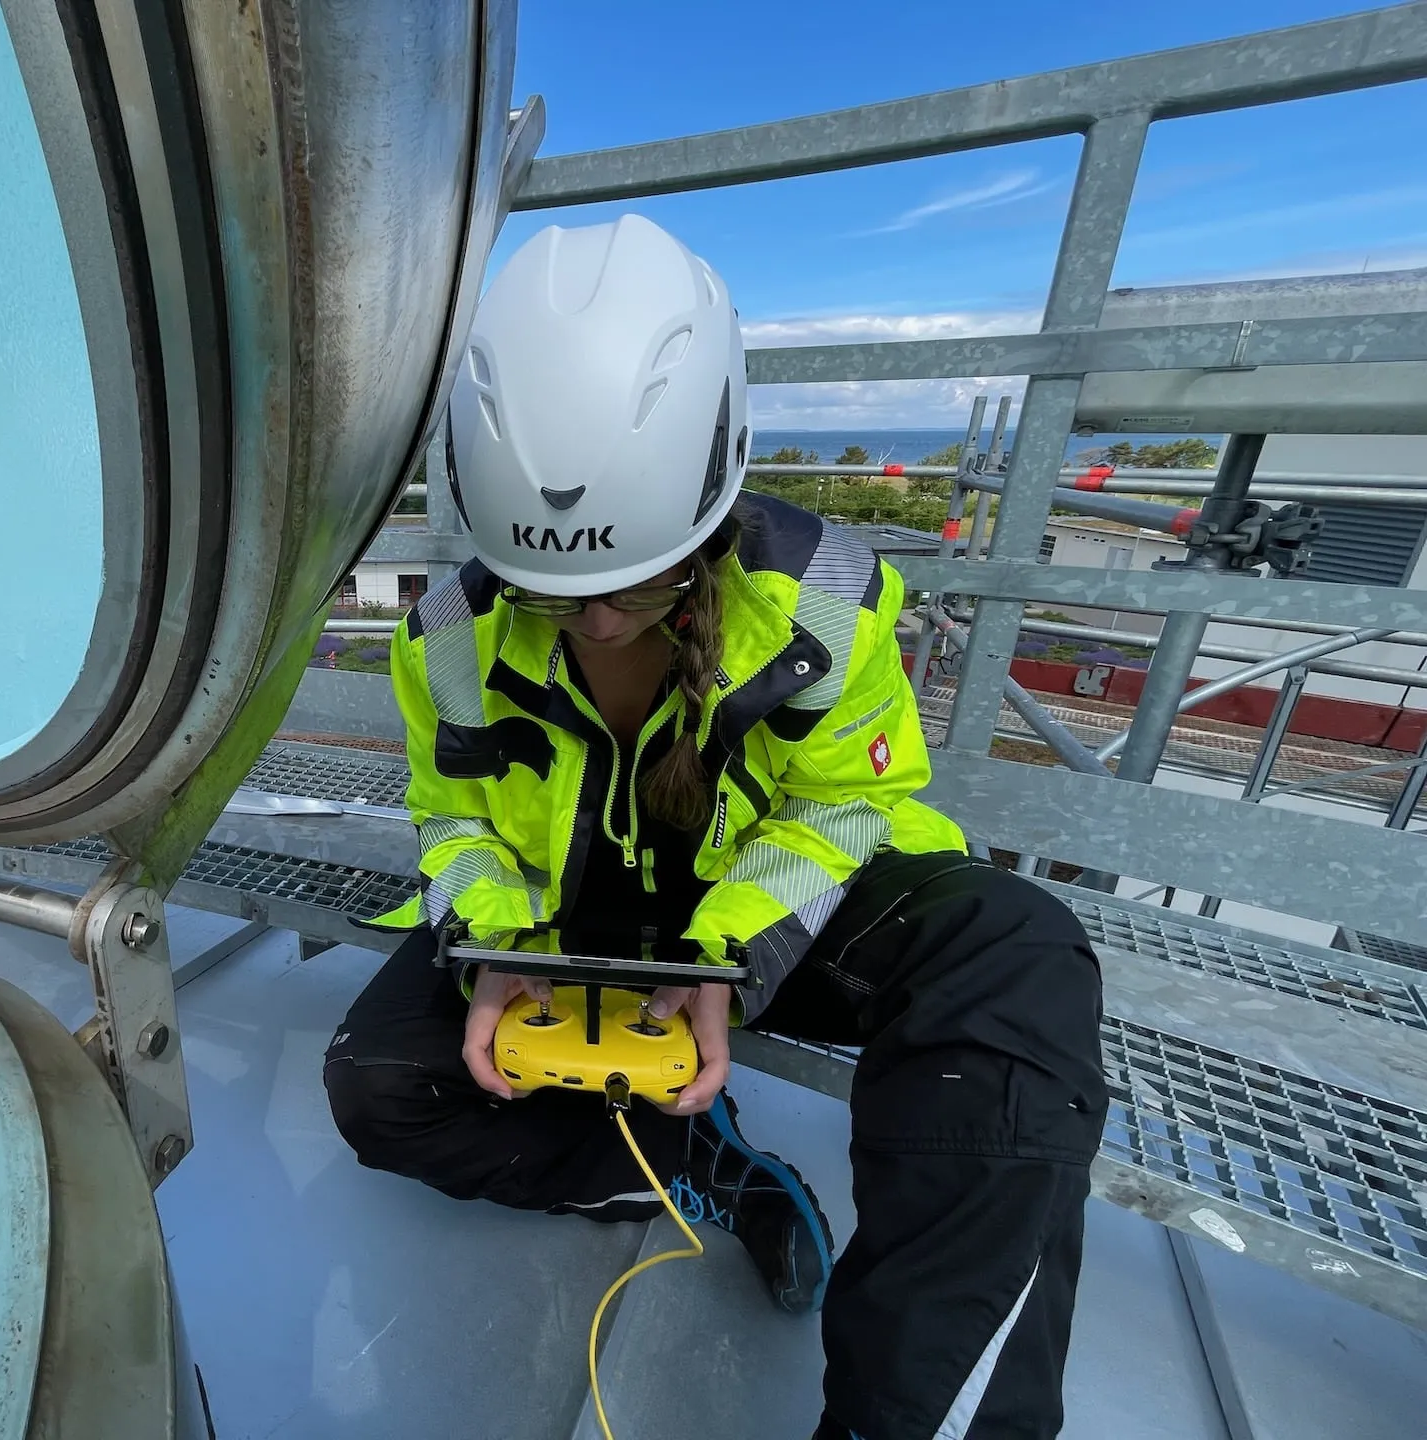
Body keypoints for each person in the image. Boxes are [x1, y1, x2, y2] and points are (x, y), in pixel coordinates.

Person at [321, 214, 1105, 1440]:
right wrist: (494, 949)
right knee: (379, 1089)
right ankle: (708, 1170)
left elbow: (845, 802)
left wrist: (722, 960)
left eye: (634, 581)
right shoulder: (449, 639)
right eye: (548, 591)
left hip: (771, 922)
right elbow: (452, 819)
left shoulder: (825, 600)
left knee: (1017, 958)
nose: (592, 622)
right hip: (559, 925)